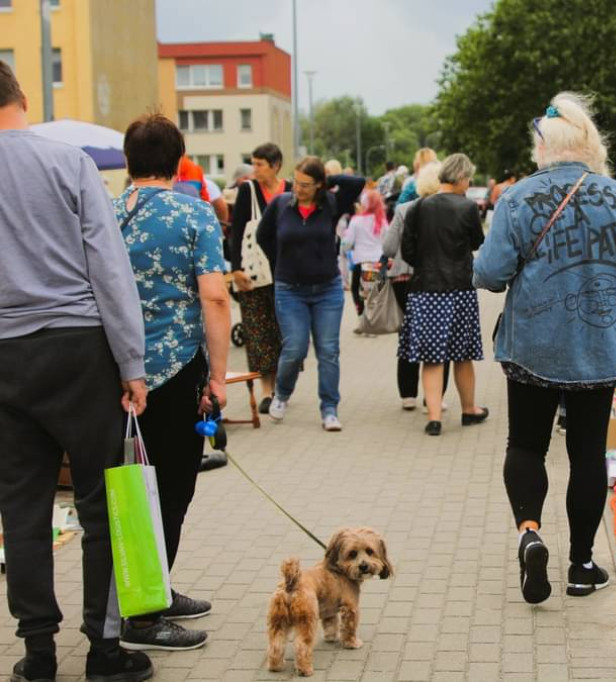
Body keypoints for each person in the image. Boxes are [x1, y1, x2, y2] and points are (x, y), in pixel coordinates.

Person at [0, 60, 154, 682]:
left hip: (5, 354)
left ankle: (37, 653)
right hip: (79, 347)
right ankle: (105, 650)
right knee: (103, 503)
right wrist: (132, 363)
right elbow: (110, 271)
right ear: (23, 97)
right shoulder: (70, 164)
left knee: (22, 508)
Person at [474, 92, 616, 604]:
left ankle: (529, 533)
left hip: (533, 346)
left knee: (526, 446)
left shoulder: (515, 198)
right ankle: (581, 564)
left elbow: (489, 274)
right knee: (587, 455)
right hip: (601, 347)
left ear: (543, 146)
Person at [113, 113, 231, 653]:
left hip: (113, 371)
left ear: (129, 160)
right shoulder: (194, 212)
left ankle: (154, 590)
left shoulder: (107, 212)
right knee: (171, 490)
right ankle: (144, 616)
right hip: (173, 368)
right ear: (178, 158)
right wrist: (221, 378)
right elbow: (214, 297)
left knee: (132, 488)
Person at [257, 157, 366, 431]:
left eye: (306, 184)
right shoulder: (280, 205)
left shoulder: (330, 204)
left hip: (327, 289)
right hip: (290, 289)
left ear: (319, 185)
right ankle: (281, 394)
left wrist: (330, 180)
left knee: (328, 351)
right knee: (294, 348)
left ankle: (329, 408)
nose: (299, 188)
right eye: (296, 182)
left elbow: (357, 183)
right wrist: (278, 262)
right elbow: (263, 236)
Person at [399, 153, 488, 436]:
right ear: (462, 178)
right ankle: (469, 410)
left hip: (425, 289)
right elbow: (478, 242)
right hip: (459, 288)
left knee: (432, 357)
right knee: (463, 355)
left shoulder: (418, 207)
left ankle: (434, 417)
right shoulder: (467, 208)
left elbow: (407, 250)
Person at [382, 161, 454, 410]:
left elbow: (389, 248)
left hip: (405, 279)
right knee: (439, 336)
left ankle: (408, 394)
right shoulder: (451, 210)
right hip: (439, 280)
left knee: (409, 333)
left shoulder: (403, 209)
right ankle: (435, 397)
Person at [229, 143, 290, 413]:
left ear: (276, 165)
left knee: (281, 332)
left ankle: (280, 385)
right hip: (252, 274)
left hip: (286, 273)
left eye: (260, 164)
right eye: (253, 163)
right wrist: (235, 268)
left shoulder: (290, 190)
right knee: (257, 332)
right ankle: (267, 390)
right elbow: (236, 231)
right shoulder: (248, 190)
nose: (255, 170)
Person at [343, 188, 387, 317]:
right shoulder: (382, 222)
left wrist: (346, 250)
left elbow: (348, 243)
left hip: (360, 261)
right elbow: (388, 242)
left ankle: (361, 312)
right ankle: (375, 316)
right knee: (377, 290)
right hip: (378, 262)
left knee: (356, 289)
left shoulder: (356, 221)